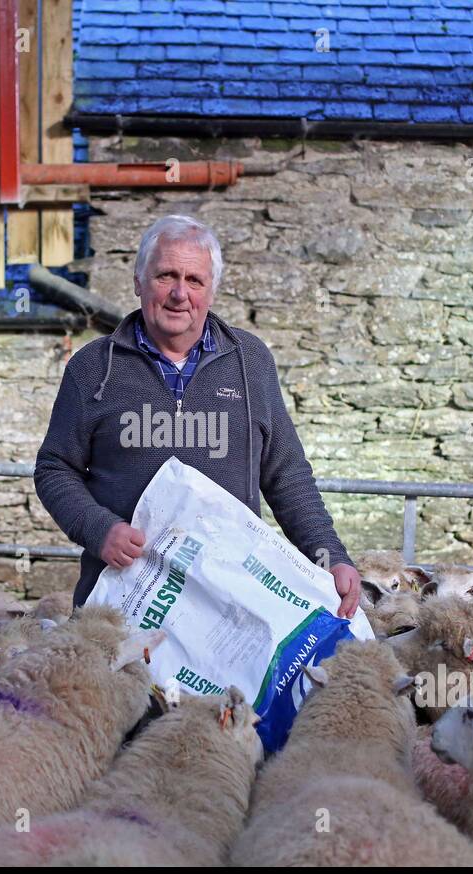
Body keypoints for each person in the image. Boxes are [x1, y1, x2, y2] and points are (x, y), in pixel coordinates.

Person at [34, 214, 362, 613]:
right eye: (165, 276)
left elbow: (286, 474)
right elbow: (54, 468)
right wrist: (98, 529)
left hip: (229, 601)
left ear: (212, 290)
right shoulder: (92, 368)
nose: (179, 293)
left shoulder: (251, 361)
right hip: (124, 598)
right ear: (138, 281)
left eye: (194, 281)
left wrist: (330, 555)